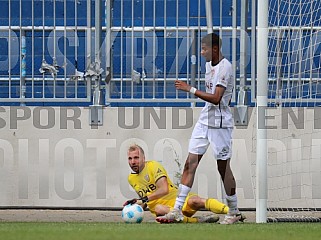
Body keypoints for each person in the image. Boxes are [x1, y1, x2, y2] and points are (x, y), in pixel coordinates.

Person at [156, 33, 243, 224]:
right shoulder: (208, 66)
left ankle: (234, 211)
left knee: (223, 168)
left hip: (220, 124)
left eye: (204, 49)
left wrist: (190, 89)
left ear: (214, 49)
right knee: (190, 163)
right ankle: (177, 209)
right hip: (205, 121)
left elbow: (216, 98)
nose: (202, 53)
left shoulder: (225, 67)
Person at [123, 144, 230, 223]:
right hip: (163, 211)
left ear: (143, 158)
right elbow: (146, 201)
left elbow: (164, 189)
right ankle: (199, 221)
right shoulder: (131, 178)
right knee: (158, 208)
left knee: (195, 201)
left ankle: (232, 212)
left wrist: (144, 199)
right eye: (130, 158)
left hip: (179, 202)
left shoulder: (153, 166)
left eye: (136, 158)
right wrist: (136, 205)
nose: (133, 162)